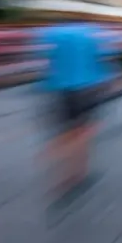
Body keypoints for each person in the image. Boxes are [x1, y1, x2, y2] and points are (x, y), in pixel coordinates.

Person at [36, 18, 116, 203]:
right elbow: (105, 58)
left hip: (59, 89)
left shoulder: (51, 32)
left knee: (67, 130)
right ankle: (78, 173)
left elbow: (43, 61)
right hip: (88, 87)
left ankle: (59, 156)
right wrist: (110, 81)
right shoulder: (93, 32)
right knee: (84, 131)